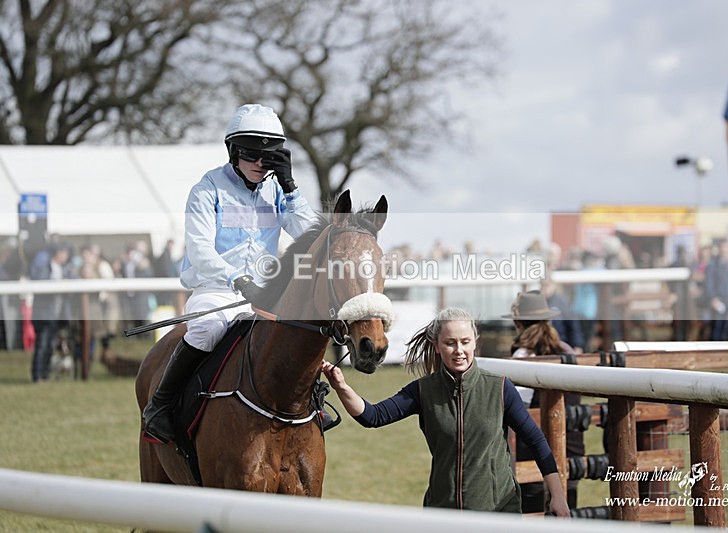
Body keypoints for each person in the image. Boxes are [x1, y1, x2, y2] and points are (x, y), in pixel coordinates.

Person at [142, 103, 317, 444]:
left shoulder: (278, 190)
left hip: (265, 294)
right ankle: (160, 407)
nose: (258, 164)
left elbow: (313, 237)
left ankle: (311, 409)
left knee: (297, 333)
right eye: (251, 155)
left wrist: (292, 188)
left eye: (267, 157)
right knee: (207, 329)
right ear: (233, 150)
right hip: (217, 289)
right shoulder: (206, 190)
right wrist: (238, 278)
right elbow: (200, 250)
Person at [322, 307, 570, 516]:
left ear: (475, 342)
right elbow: (372, 416)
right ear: (437, 346)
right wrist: (342, 387)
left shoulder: (500, 388)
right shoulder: (422, 390)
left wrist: (558, 496)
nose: (459, 350)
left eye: (465, 342)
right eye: (450, 343)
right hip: (442, 515)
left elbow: (537, 441)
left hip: (498, 513)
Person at [503, 290, 586, 512]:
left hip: (533, 452)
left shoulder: (522, 355)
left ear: (517, 321)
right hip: (572, 448)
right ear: (549, 319)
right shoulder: (567, 350)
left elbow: (516, 407)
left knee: (533, 512)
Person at [28, 242, 72, 383]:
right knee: (41, 345)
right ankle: (37, 375)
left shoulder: (65, 269)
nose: (66, 256)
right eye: (64, 252)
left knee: (51, 345)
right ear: (57, 253)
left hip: (58, 315)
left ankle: (45, 374)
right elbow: (38, 282)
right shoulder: (44, 268)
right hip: (43, 315)